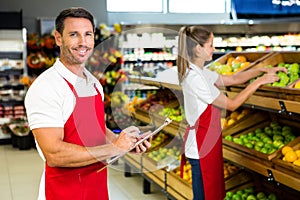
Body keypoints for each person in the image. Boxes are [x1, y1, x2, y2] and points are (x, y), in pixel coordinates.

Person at [24, 7, 151, 200]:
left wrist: (124, 141)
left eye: (88, 34)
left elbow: (96, 130)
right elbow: (54, 154)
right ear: (58, 38)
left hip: (96, 188)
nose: (83, 42)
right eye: (74, 34)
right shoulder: (46, 87)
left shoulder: (92, 82)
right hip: (62, 192)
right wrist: (114, 148)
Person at [177, 26, 287, 200]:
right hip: (201, 147)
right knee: (204, 197)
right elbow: (232, 104)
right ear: (199, 49)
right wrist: (259, 82)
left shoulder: (199, 72)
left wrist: (261, 70)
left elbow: (232, 79)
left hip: (207, 142)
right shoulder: (195, 78)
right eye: (211, 45)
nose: (214, 49)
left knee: (210, 194)